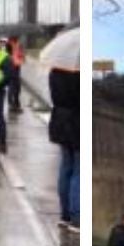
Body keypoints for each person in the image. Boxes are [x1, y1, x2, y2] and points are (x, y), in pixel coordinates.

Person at [48, 64, 78, 228]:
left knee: (65, 168)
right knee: (78, 172)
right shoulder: (78, 75)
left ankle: (65, 215)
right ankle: (76, 218)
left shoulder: (54, 72)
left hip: (60, 121)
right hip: (76, 123)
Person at [6, 36, 25, 115]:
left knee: (17, 86)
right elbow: (8, 54)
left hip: (17, 66)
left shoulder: (19, 44)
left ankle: (15, 104)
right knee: (13, 86)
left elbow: (21, 55)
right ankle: (12, 104)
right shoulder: (9, 44)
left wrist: (22, 57)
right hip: (12, 66)